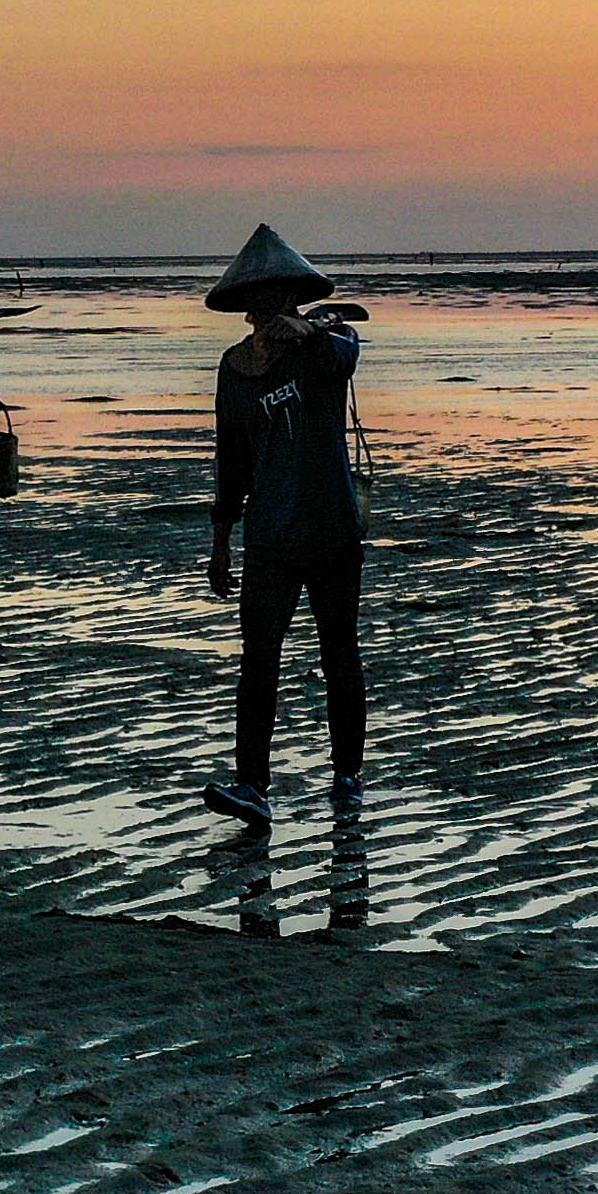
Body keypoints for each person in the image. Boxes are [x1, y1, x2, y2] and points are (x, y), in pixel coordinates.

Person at [198, 224, 367, 830]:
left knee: (339, 655)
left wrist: (311, 332)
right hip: (268, 538)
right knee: (258, 661)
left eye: (278, 297)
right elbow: (231, 457)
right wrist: (221, 541)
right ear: (244, 305)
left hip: (333, 532)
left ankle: (348, 775)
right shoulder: (233, 368)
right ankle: (252, 784)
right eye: (258, 299)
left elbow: (349, 355)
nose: (267, 308)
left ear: (294, 295)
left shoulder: (326, 343)